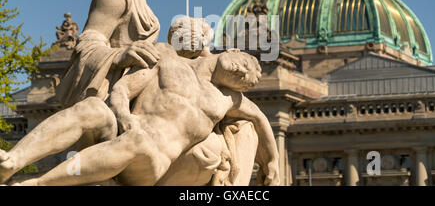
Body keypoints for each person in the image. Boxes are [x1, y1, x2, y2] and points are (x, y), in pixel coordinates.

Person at [0, 0, 177, 183]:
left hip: (135, 107)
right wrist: (119, 55)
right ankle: (12, 161)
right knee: (94, 111)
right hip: (106, 101)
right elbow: (87, 43)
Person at [14, 45, 279, 186]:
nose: (240, 73)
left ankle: (38, 183)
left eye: (244, 80)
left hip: (154, 162)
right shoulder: (169, 61)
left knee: (139, 141)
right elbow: (123, 88)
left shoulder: (226, 99)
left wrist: (273, 161)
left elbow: (261, 120)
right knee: (91, 107)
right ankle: (12, 160)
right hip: (124, 130)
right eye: (244, 64)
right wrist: (122, 114)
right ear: (232, 51)